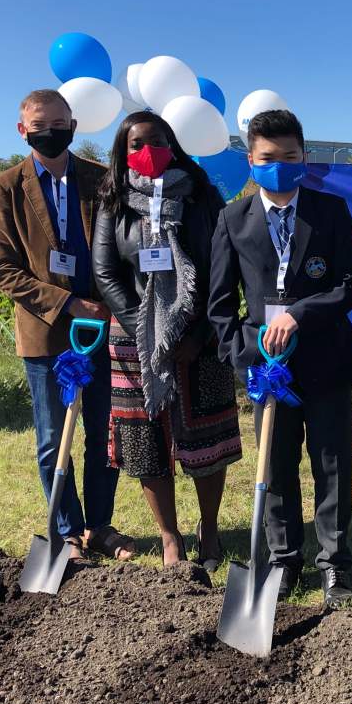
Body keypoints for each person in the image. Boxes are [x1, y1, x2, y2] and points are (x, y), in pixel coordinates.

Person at [208, 109, 352, 608]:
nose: (278, 165)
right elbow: (219, 304)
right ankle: (283, 559)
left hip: (325, 360)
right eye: (267, 158)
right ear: (251, 160)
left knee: (332, 464)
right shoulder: (233, 219)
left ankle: (334, 563)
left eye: (289, 156)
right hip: (267, 368)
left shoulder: (330, 211)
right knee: (275, 466)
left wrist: (299, 315)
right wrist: (245, 356)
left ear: (304, 157)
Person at [0, 88, 134, 562]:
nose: (50, 133)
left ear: (73, 126)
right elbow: (3, 269)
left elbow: (123, 248)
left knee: (102, 433)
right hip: (46, 332)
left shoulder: (101, 179)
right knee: (53, 438)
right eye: (39, 126)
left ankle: (100, 526)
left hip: (102, 327)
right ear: (22, 130)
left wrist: (112, 304)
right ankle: (68, 531)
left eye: (59, 124)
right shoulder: (6, 188)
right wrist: (69, 303)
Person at [91, 111, 242, 571]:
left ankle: (209, 529)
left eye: (156, 141)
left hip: (200, 335)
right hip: (136, 339)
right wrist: (148, 331)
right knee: (147, 441)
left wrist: (197, 331)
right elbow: (106, 272)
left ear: (172, 145)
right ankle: (170, 536)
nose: (147, 150)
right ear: (123, 152)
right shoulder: (113, 200)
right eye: (136, 144)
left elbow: (222, 267)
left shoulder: (202, 195)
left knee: (207, 437)